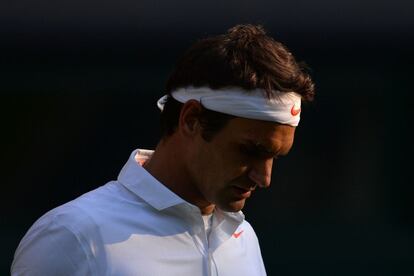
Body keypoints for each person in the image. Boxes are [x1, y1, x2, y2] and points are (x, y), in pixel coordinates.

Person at [11, 24, 315, 276]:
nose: (264, 178)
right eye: (249, 150)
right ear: (191, 120)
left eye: (274, 157)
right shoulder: (73, 237)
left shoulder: (243, 238)